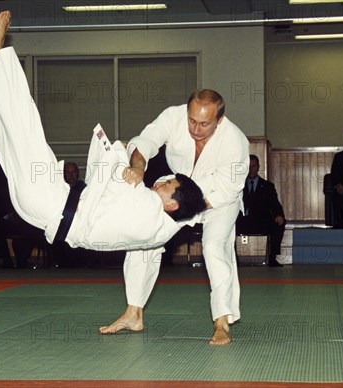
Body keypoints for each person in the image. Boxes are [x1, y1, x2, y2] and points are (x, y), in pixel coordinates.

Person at [0, 12, 206, 258]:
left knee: (23, 124)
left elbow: (120, 182)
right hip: (49, 208)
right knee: (11, 134)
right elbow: (101, 187)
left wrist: (122, 156)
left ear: (172, 204)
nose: (159, 183)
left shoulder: (150, 215)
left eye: (167, 185)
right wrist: (122, 156)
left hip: (51, 204)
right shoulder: (157, 223)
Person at [102, 89, 250, 345]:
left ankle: (221, 322)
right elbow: (146, 140)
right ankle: (133, 312)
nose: (196, 128)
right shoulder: (173, 117)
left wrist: (185, 209)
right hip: (178, 191)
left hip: (217, 199)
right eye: (192, 120)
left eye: (205, 124)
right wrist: (138, 167)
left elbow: (228, 188)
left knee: (215, 247)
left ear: (220, 120)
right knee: (142, 237)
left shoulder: (235, 142)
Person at [0, 146, 43, 269]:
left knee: (35, 227)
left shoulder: (26, 152)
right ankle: (6, 261)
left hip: (25, 211)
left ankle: (22, 259)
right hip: (2, 212)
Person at [236, 154, 285, 267]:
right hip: (242, 220)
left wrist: (278, 215)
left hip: (261, 221)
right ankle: (233, 259)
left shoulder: (267, 186)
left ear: (258, 167)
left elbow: (275, 204)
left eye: (253, 166)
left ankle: (272, 258)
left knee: (278, 223)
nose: (251, 169)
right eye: (248, 166)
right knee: (228, 226)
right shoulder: (238, 186)